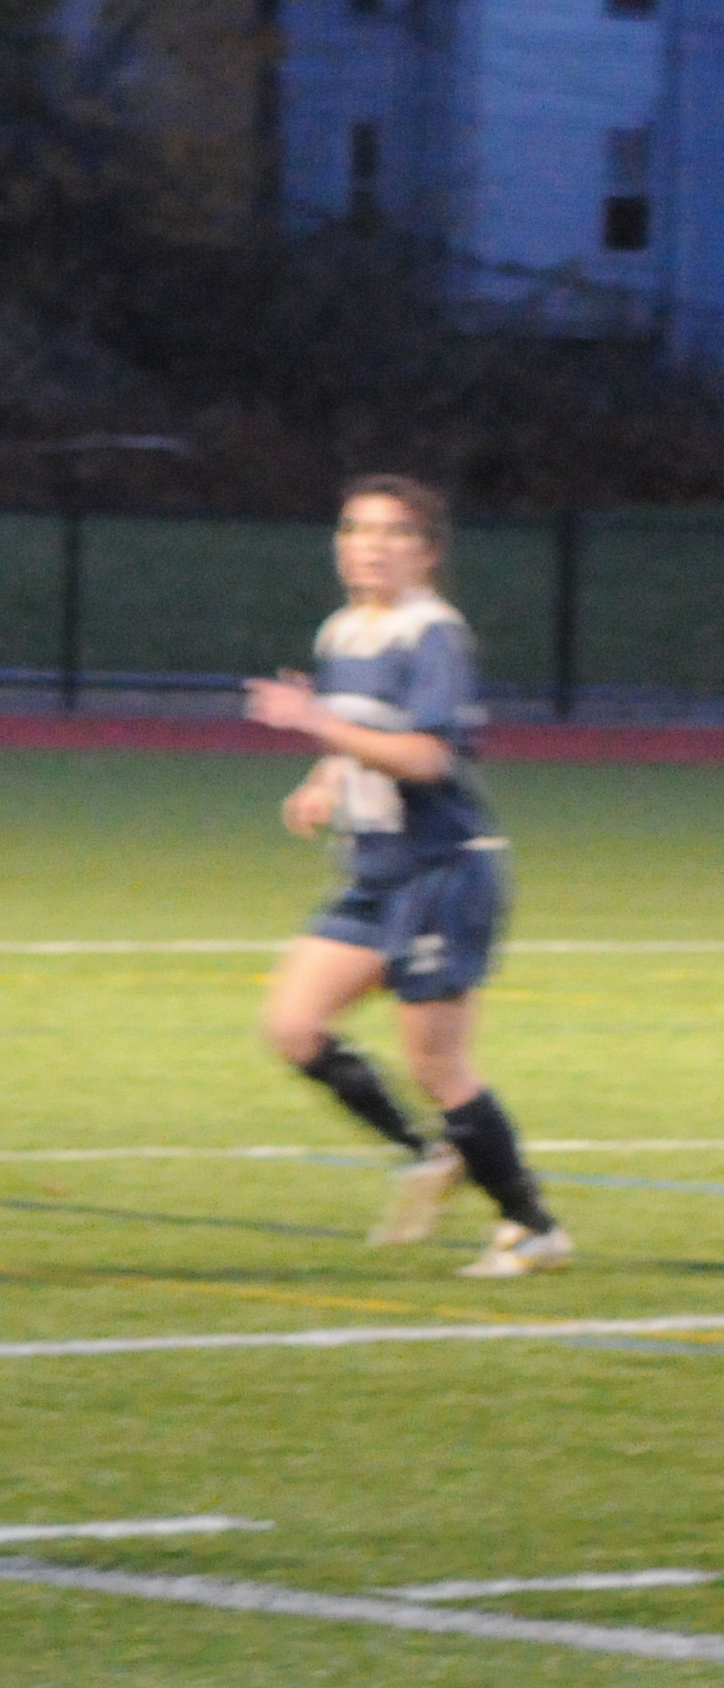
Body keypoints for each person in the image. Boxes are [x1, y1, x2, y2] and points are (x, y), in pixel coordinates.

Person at [248, 474, 569, 1276]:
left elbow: (427, 757)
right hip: (376, 874)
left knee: (436, 1065)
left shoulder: (432, 636)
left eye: (394, 532)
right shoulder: (343, 632)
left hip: (441, 872)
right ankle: (430, 1154)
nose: (371, 546)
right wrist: (324, 777)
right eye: (357, 529)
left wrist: (314, 723)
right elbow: (361, 731)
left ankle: (532, 1226)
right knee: (294, 1027)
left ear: (427, 553)